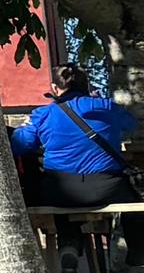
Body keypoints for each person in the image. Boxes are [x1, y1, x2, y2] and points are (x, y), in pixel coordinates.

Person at [13, 64, 137, 212]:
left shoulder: (43, 114)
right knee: (134, 202)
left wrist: (24, 125)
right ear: (86, 86)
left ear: (54, 88)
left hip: (60, 191)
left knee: (48, 192)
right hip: (108, 188)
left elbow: (19, 144)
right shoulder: (107, 106)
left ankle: (69, 235)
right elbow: (131, 124)